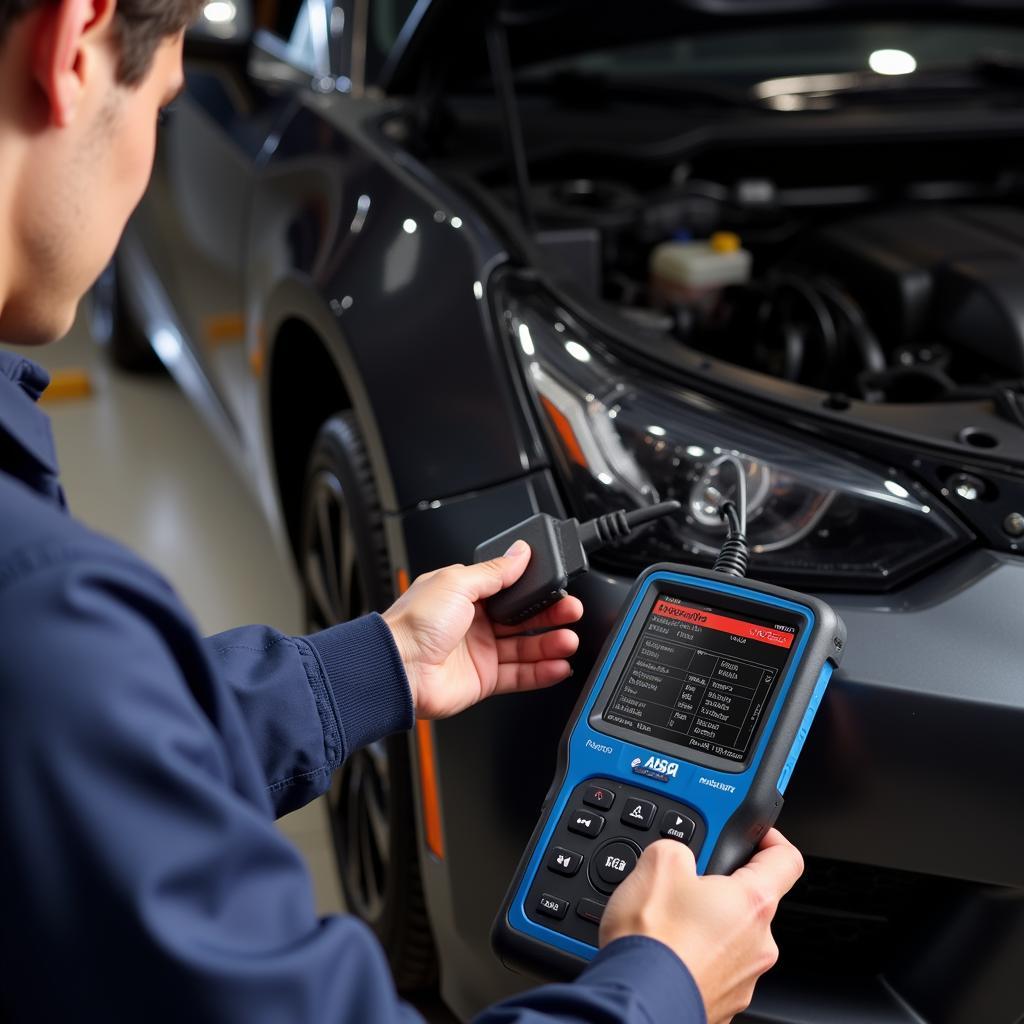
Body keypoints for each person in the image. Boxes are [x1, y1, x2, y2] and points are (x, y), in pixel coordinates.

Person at [0, 2, 804, 1022]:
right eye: (163, 105)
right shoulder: (43, 613)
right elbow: (63, 705)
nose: (149, 163)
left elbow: (76, 758)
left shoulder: (46, 640)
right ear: (75, 49)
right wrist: (659, 987)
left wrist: (376, 663)